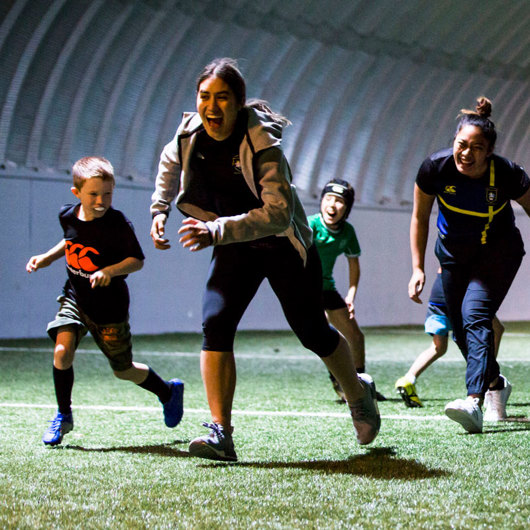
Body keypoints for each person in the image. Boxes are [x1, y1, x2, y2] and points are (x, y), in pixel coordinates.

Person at [150, 57, 380, 461]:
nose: (211, 107)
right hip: (235, 245)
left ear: (238, 103)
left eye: (222, 98)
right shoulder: (189, 135)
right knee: (215, 323)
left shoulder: (262, 141)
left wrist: (215, 230)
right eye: (205, 97)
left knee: (312, 330)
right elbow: (170, 165)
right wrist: (158, 209)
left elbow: (276, 213)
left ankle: (358, 393)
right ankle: (221, 433)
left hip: (281, 243)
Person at [26, 156, 184, 446]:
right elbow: (71, 240)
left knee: (123, 370)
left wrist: (109, 271)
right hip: (75, 298)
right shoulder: (67, 215)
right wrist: (47, 257)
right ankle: (63, 415)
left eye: (107, 194)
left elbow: (136, 261)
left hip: (109, 309)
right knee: (62, 352)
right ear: (77, 193)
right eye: (94, 194)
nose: (101, 201)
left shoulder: (118, 223)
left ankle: (167, 392)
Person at [408, 97, 530, 433]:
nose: (467, 153)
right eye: (462, 144)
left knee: (476, 315)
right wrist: (418, 267)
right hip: (452, 257)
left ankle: (473, 402)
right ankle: (496, 384)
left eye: (477, 147)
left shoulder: (506, 174)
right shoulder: (434, 168)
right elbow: (419, 217)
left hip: (498, 255)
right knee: (459, 330)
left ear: (489, 151)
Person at [308, 179, 385, 403]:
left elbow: (354, 264)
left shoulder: (347, 232)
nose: (332, 205)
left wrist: (351, 294)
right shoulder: (310, 225)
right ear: (321, 201)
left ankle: (360, 384)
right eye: (328, 199)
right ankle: (339, 381)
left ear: (347, 208)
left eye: (339, 201)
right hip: (305, 289)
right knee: (324, 335)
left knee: (355, 336)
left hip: (327, 289)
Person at [396, 270, 505, 409]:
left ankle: (408, 379)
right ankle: (489, 378)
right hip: (458, 296)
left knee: (437, 347)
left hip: (437, 300)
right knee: (495, 330)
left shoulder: (447, 255)